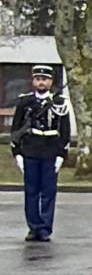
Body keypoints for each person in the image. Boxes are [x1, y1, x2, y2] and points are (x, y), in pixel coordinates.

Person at [10, 65, 71, 242]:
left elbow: (64, 131)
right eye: (38, 79)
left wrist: (61, 154)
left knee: (48, 192)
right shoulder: (25, 102)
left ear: (51, 82)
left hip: (50, 151)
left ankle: (45, 228)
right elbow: (16, 129)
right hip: (31, 150)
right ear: (33, 81)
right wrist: (17, 153)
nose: (41, 82)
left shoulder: (59, 102)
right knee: (31, 192)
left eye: (45, 79)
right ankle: (33, 227)